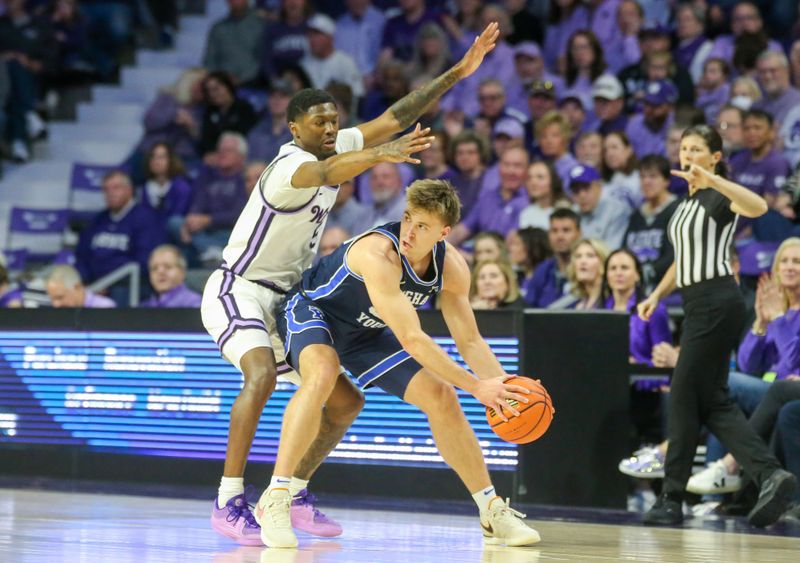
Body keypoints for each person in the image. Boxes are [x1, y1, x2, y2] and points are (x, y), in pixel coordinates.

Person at [200, 23, 504, 546]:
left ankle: (293, 491)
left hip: (286, 297)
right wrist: (381, 155)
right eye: (318, 122)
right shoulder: (288, 166)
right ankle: (230, 499)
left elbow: (394, 117)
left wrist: (458, 72)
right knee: (260, 376)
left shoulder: (336, 146)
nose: (328, 128)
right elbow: (330, 171)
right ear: (294, 129)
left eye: (333, 121)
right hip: (240, 288)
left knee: (344, 403)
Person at [266, 179, 541, 548]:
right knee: (323, 373)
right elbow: (413, 339)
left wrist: (505, 389)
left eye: (422, 226)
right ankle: (277, 497)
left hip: (367, 331)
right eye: (408, 218)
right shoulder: (377, 253)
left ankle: (491, 509)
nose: (410, 231)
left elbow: (471, 341)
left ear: (444, 232)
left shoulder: (453, 267)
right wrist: (477, 386)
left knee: (441, 396)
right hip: (315, 312)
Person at [637, 124, 796, 527]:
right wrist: (656, 295)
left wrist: (715, 180)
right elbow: (684, 258)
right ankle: (769, 474)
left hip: (717, 300)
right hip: (696, 302)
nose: (687, 154)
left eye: (697, 149)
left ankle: (671, 498)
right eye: (684, 147)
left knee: (684, 394)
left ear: (715, 156)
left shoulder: (717, 194)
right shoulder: (685, 203)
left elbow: (759, 207)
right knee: (712, 402)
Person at [75, 171, 165, 302]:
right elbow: (82, 255)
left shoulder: (146, 219)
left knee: (121, 292)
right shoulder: (98, 220)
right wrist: (86, 281)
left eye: (116, 188)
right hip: (95, 285)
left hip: (128, 286)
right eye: (106, 189)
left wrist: (107, 282)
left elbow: (144, 262)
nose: (110, 193)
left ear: (129, 190)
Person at [178, 133, 249, 264]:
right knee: (175, 223)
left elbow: (239, 214)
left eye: (228, 151)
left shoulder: (245, 178)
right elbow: (198, 202)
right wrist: (191, 220)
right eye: (220, 150)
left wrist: (209, 220)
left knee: (242, 237)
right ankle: (211, 249)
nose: (222, 154)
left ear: (241, 156)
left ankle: (208, 248)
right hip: (204, 230)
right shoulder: (207, 175)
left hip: (229, 231)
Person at [448, 145, 530, 244]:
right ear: (499, 168)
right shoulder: (487, 197)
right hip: (478, 254)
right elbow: (463, 229)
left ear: (527, 170)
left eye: (517, 166)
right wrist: (438, 245)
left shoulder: (530, 201)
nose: (510, 171)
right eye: (506, 165)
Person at [604, 248, 670, 365]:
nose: (618, 273)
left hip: (645, 380)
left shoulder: (653, 309)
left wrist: (636, 364)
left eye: (625, 268)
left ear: (637, 275)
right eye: (613, 268)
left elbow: (664, 362)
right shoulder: (601, 309)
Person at [623, 155, 679, 293]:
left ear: (666, 181)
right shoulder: (636, 215)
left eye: (653, 177)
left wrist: (645, 272)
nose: (646, 182)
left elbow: (676, 255)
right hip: (636, 286)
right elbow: (625, 250)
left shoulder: (678, 210)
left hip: (668, 288)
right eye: (642, 177)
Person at [730, 109, 792, 208]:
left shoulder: (778, 163)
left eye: (757, 128)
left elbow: (768, 205)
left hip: (757, 221)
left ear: (771, 132)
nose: (751, 133)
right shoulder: (737, 160)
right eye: (746, 128)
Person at [526, 208, 582, 307]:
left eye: (566, 230)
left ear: (579, 233)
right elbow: (528, 308)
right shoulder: (542, 270)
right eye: (554, 231)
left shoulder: (585, 270)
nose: (559, 236)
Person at [300, 14, 364, 99]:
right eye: (310, 35)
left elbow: (357, 94)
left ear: (330, 37)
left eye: (317, 34)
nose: (312, 39)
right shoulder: (303, 65)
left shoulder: (345, 62)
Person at [202, 0, 265, 86]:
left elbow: (264, 58)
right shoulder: (218, 28)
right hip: (222, 85)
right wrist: (222, 78)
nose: (236, 2)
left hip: (254, 84)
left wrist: (243, 78)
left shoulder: (261, 26)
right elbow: (210, 60)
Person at [569, 165, 630, 250]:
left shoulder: (616, 211)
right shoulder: (571, 214)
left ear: (599, 187)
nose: (582, 195)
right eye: (576, 191)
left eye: (586, 188)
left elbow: (612, 251)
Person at [198, 71, 257, 157]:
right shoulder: (210, 112)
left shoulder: (244, 108)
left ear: (227, 86)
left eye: (216, 89)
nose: (212, 94)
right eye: (209, 91)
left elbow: (247, 137)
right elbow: (206, 140)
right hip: (215, 158)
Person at [139, 142, 193, 223]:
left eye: (161, 157)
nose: (156, 161)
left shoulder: (182, 187)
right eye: (153, 157)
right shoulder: (145, 187)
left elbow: (177, 218)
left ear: (171, 160)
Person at [549, 238, 609, 310]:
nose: (582, 261)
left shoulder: (613, 300)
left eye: (590, 256)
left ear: (603, 263)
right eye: (578, 256)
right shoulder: (577, 304)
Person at [624, 79, 676, 159]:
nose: (649, 110)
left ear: (670, 107)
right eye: (647, 104)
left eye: (656, 105)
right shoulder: (635, 124)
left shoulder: (676, 129)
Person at [247, 78, 294, 162]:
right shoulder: (258, 130)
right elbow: (249, 161)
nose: (277, 100)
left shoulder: (300, 133)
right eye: (273, 96)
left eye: (282, 96)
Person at [448, 129, 491, 219]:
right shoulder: (451, 183)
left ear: (481, 154)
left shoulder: (491, 179)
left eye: (470, 152)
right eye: (460, 153)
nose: (465, 157)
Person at [519, 160, 570, 230]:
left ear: (553, 180)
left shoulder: (566, 209)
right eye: (529, 178)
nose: (533, 182)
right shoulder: (526, 213)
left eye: (540, 177)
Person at [506, 227, 551, 298]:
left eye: (516, 244)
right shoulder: (516, 278)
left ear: (533, 247)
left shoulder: (547, 279)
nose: (511, 249)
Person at [46, 265, 116, 308]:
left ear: (78, 287)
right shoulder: (56, 313)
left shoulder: (105, 308)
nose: (56, 305)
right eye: (52, 299)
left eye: (60, 297)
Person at [602, 131, 641, 209]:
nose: (610, 153)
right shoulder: (603, 183)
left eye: (614, 147)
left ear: (629, 150)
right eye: (606, 150)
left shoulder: (640, 178)